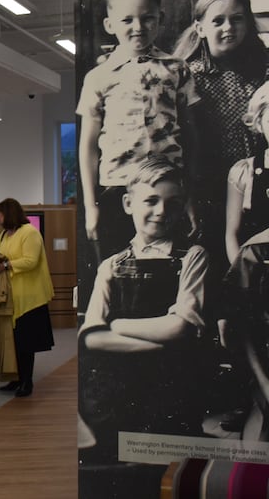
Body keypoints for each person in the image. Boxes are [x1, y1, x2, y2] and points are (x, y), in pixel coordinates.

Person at [78, 157, 209, 498]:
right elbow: (92, 336)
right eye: (151, 200)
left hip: (172, 389)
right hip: (118, 393)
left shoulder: (192, 256)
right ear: (128, 203)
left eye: (173, 203)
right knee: (122, 479)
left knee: (173, 477)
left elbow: (179, 327)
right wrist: (158, 338)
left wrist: (119, 324)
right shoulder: (111, 265)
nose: (161, 211)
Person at [77, 0, 200, 266]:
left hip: (169, 190)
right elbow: (88, 146)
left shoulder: (177, 69)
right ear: (110, 25)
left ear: (161, 19)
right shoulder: (99, 76)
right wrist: (90, 206)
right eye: (127, 20)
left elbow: (193, 137)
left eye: (147, 18)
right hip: (116, 188)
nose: (137, 27)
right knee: (117, 270)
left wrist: (191, 196)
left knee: (171, 269)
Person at [173, 0, 268, 275]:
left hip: (252, 184)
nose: (229, 27)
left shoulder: (262, 68)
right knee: (211, 258)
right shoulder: (187, 74)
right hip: (207, 184)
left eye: (237, 19)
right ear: (200, 28)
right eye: (218, 21)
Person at [0, 198, 54, 398]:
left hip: (30, 296)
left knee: (26, 342)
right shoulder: (4, 235)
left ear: (9, 214)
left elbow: (30, 261)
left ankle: (27, 381)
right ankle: (16, 378)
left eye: (0, 214)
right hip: (10, 295)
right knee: (13, 341)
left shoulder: (30, 233)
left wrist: (7, 265)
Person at [219, 227, 269, 441]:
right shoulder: (256, 250)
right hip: (262, 367)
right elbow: (241, 329)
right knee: (258, 445)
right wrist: (265, 384)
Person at [225, 81, 269, 265]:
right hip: (256, 273)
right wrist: (242, 273)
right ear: (258, 123)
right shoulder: (244, 171)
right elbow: (232, 234)